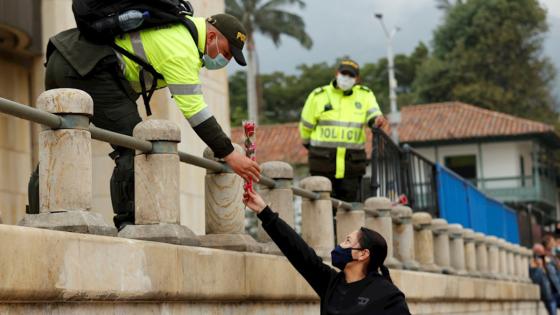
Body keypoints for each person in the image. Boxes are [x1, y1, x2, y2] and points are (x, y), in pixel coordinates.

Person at [27, 13, 260, 230]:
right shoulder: (182, 48)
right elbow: (195, 111)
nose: (225, 61)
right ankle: (131, 226)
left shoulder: (176, 26)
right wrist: (229, 154)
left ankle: (38, 213)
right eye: (227, 53)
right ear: (211, 37)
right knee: (135, 146)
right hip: (88, 68)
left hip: (63, 56)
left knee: (60, 139)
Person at [243, 189, 410, 315]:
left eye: (347, 241)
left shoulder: (388, 295)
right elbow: (298, 251)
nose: (340, 245)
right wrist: (264, 212)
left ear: (363, 254)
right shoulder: (331, 283)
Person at [299, 59, 388, 203]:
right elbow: (305, 127)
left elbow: (374, 115)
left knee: (349, 210)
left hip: (352, 165)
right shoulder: (318, 95)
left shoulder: (365, 95)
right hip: (322, 162)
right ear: (337, 73)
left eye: (350, 75)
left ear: (357, 79)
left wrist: (377, 120)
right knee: (322, 208)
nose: (346, 78)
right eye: (343, 73)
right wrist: (310, 146)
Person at [531, 243, 559, 315]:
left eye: (541, 252)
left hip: (557, 291)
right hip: (549, 295)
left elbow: (556, 274)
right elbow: (535, 280)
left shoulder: (549, 261)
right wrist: (539, 268)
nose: (541, 255)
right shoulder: (533, 264)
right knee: (553, 312)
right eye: (538, 253)